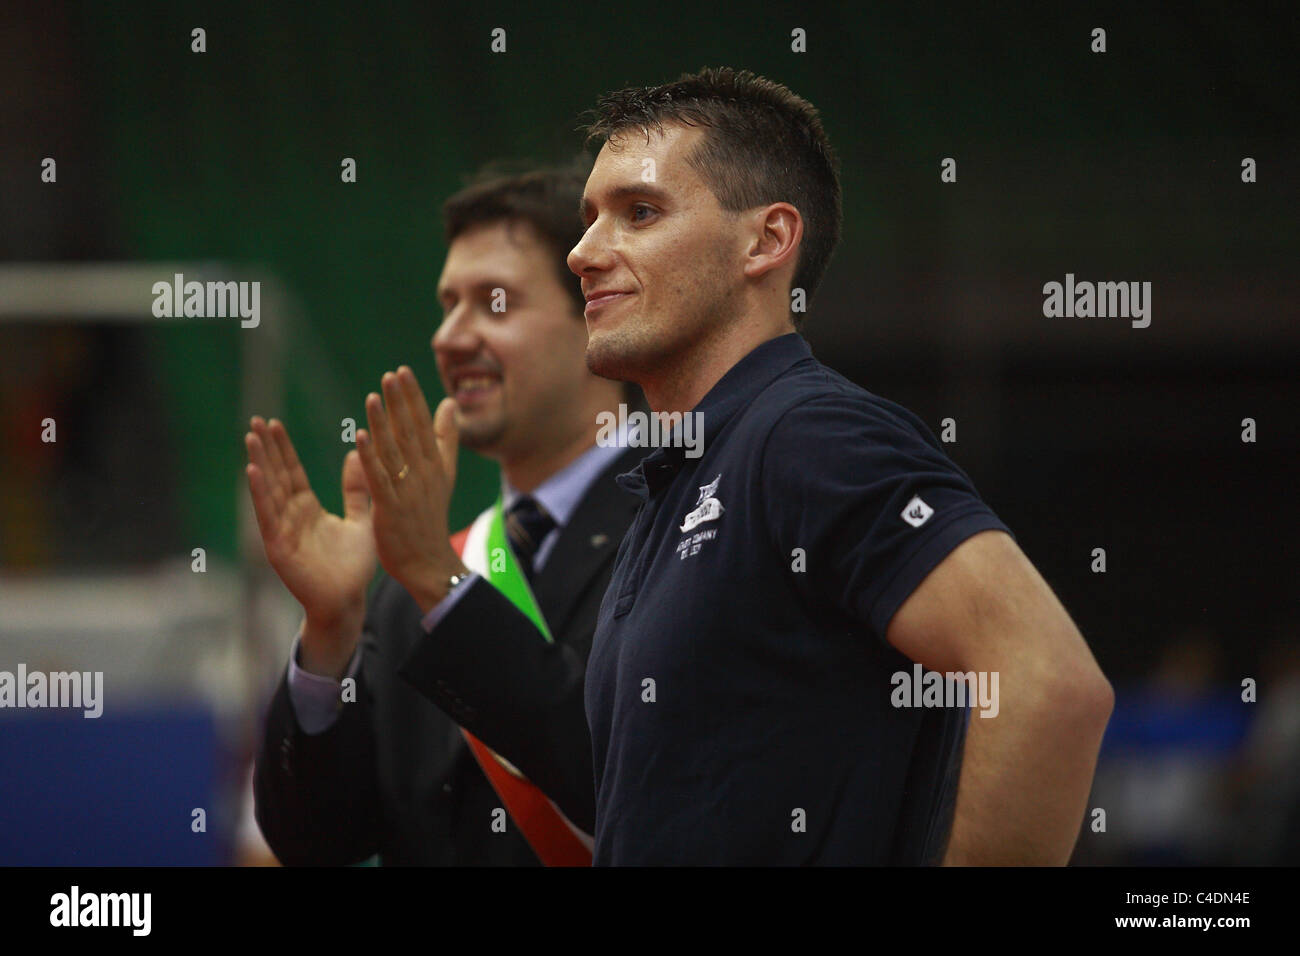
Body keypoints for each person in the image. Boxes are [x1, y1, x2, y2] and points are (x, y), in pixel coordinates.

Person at [566, 66, 1115, 865]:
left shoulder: (808, 435)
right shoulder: (677, 480)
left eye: (639, 213)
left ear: (768, 240)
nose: (583, 252)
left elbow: (1049, 685)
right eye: (588, 220)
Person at [245, 162, 639, 865]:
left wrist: (435, 579)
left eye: (493, 302)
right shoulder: (418, 574)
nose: (449, 337)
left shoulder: (688, 528)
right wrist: (330, 629)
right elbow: (316, 843)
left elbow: (629, 780)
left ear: (597, 309)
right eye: (446, 303)